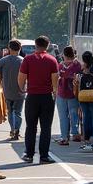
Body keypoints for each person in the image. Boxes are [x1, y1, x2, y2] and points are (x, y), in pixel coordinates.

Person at [18, 35, 58, 164]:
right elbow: (55, 79)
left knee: (31, 126)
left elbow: (21, 77)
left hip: (32, 96)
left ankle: (29, 154)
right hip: (46, 96)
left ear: (35, 45)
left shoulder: (28, 59)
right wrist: (55, 92)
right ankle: (44, 155)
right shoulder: (52, 60)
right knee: (46, 127)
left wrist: (23, 88)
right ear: (48, 45)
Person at [0, 39, 25, 141]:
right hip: (20, 90)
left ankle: (12, 129)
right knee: (18, 112)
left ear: (9, 48)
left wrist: (1, 81)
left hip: (6, 90)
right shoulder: (23, 60)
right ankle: (17, 129)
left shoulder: (3, 60)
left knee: (10, 111)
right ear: (20, 48)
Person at [56, 45, 82, 146]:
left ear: (63, 55)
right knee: (74, 114)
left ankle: (64, 136)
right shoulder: (78, 65)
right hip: (73, 94)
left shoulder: (60, 66)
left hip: (61, 93)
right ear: (74, 54)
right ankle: (75, 133)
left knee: (63, 116)